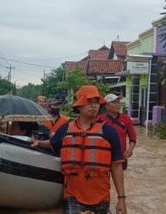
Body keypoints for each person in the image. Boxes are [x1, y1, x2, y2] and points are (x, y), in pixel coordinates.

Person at [32, 85, 127, 214]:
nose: (94, 105)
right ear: (79, 105)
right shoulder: (65, 129)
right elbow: (53, 143)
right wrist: (39, 143)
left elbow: (117, 166)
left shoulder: (109, 132)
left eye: (96, 102)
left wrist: (121, 199)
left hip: (101, 197)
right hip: (73, 196)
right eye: (89, 102)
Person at [98, 94, 137, 170]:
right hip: (104, 156)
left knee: (120, 179)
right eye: (114, 102)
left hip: (121, 156)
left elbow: (133, 137)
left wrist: (130, 150)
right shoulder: (99, 119)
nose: (117, 105)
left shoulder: (126, 119)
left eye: (118, 102)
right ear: (106, 106)